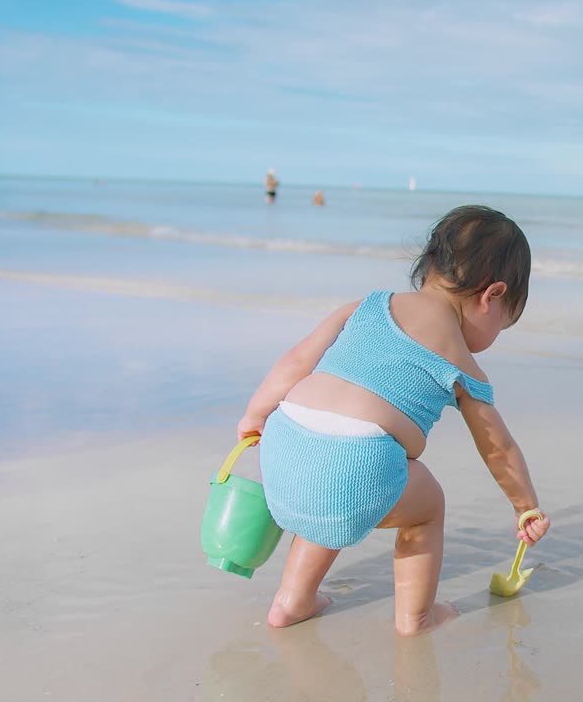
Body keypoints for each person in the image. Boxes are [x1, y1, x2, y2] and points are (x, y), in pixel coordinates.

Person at [236, 205, 550, 636]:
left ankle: (291, 602)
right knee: (426, 504)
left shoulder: (365, 306)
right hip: (351, 468)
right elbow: (498, 449)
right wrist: (525, 506)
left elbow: (295, 362)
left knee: (335, 469)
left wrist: (254, 417)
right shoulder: (462, 364)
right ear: (491, 296)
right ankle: (416, 618)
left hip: (283, 446)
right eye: (503, 324)